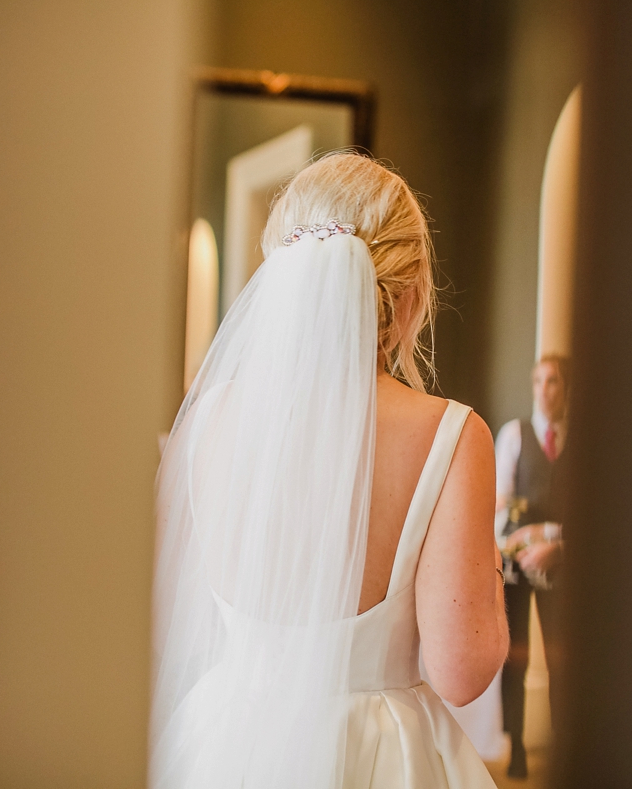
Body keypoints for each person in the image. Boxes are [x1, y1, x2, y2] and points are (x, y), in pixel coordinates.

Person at [150, 153, 509, 788]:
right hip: (376, 757)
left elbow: (175, 617)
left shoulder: (208, 419)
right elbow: (463, 670)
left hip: (224, 740)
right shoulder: (451, 436)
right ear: (409, 295)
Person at [493, 354, 572, 778]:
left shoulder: (584, 440)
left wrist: (552, 540)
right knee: (515, 656)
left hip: (564, 567)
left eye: (554, 381)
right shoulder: (514, 436)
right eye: (539, 380)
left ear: (566, 388)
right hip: (516, 566)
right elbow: (499, 502)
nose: (544, 389)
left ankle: (563, 747)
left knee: (562, 659)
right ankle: (517, 747)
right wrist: (516, 543)